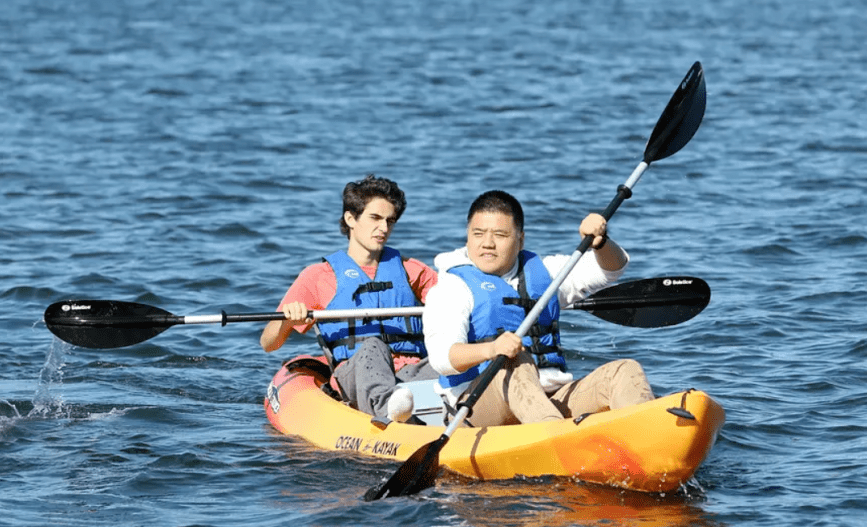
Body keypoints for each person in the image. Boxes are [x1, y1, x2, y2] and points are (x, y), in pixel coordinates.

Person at [422, 190, 655, 428]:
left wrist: (601, 243)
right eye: (478, 234)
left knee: (624, 371)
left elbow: (611, 269)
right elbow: (442, 359)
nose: (487, 244)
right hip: (475, 407)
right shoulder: (452, 287)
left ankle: (648, 435)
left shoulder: (546, 273)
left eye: (500, 235)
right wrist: (492, 349)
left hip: (551, 398)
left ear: (520, 239)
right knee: (514, 361)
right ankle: (558, 439)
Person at [260, 174, 437, 423]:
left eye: (390, 221)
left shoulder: (412, 271)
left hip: (411, 373)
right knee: (373, 346)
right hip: (356, 375)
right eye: (375, 218)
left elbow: (455, 307)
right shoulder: (318, 276)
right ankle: (390, 412)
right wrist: (288, 320)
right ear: (350, 219)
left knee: (451, 360)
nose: (384, 229)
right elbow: (268, 343)